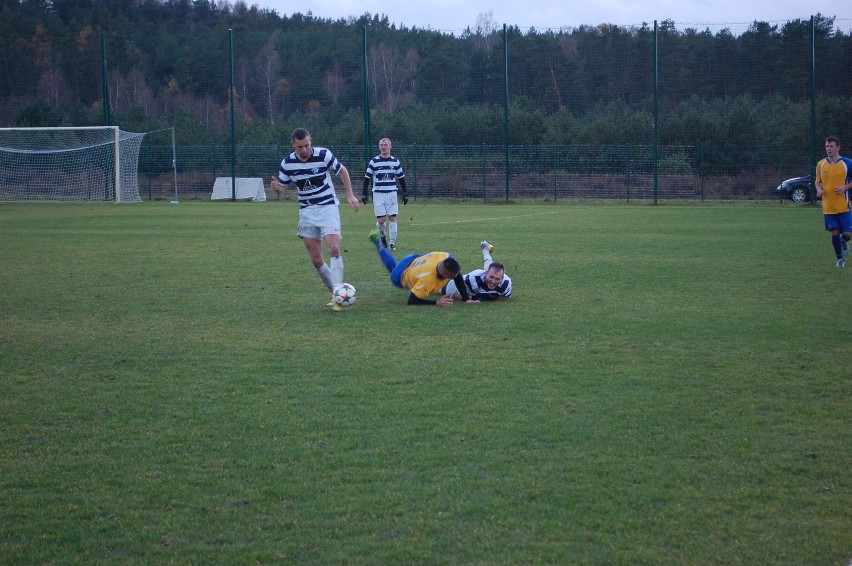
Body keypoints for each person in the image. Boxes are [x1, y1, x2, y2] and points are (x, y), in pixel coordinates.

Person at [272, 128, 360, 310]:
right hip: (307, 211)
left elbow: (342, 171)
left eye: (306, 145)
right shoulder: (287, 163)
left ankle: (338, 297)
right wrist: (277, 188)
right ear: (293, 145)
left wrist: (350, 196)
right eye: (300, 147)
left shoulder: (323, 155)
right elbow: (283, 186)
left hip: (328, 206)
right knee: (316, 258)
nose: (304, 150)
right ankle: (335, 291)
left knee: (334, 247)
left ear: (310, 141)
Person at [368, 230, 479, 307]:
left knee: (395, 264)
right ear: (444, 273)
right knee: (393, 268)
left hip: (415, 258)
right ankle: (379, 244)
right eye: (451, 276)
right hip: (401, 275)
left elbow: (457, 276)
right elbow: (412, 301)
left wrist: (466, 298)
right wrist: (436, 302)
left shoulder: (447, 257)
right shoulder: (427, 279)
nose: (456, 277)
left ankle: (380, 245)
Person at [362, 138, 407, 250]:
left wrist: (405, 193)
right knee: (381, 220)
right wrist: (364, 194)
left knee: (392, 218)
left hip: (391, 193)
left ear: (390, 147)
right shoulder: (374, 162)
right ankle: (383, 236)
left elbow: (401, 178)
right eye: (381, 145)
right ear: (379, 147)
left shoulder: (395, 162)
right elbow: (367, 178)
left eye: (385, 145)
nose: (383, 147)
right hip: (378, 194)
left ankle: (392, 243)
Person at [815, 136, 852, 267]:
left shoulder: (847, 163)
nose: (829, 149)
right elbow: (817, 181)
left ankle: (843, 241)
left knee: (847, 234)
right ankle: (840, 259)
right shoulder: (821, 164)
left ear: (838, 147)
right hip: (828, 206)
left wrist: (845, 187)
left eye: (831, 146)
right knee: (835, 232)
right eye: (827, 146)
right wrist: (819, 189)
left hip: (844, 206)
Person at [443, 241, 513, 301]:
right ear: (485, 273)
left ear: (502, 278)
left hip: (482, 280)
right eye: (491, 277)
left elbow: (506, 298)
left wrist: (491, 297)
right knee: (440, 290)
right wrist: (475, 297)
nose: (493, 281)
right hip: (455, 284)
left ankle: (485, 250)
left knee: (490, 270)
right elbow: (457, 295)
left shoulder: (506, 283)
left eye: (497, 279)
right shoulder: (473, 279)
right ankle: (485, 250)